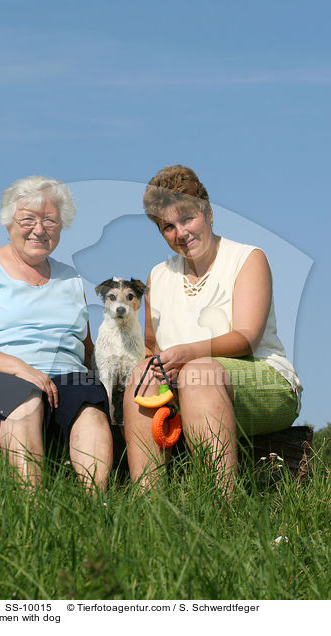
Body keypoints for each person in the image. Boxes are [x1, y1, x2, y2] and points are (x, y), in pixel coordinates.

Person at [123, 165, 302, 490]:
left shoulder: (247, 258)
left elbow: (247, 338)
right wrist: (160, 367)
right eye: (167, 226)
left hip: (262, 378)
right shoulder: (158, 276)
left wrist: (188, 356)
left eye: (187, 218)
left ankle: (223, 505)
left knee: (198, 373)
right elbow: (152, 347)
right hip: (184, 384)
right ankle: (148, 508)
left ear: (208, 212)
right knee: (141, 374)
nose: (180, 233)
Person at [0, 175, 113, 490]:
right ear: (8, 222)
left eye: (50, 221)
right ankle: (31, 511)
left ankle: (96, 507)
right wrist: (22, 369)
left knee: (88, 399)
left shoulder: (70, 279)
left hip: (61, 380)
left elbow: (85, 349)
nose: (39, 229)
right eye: (28, 219)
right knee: (24, 396)